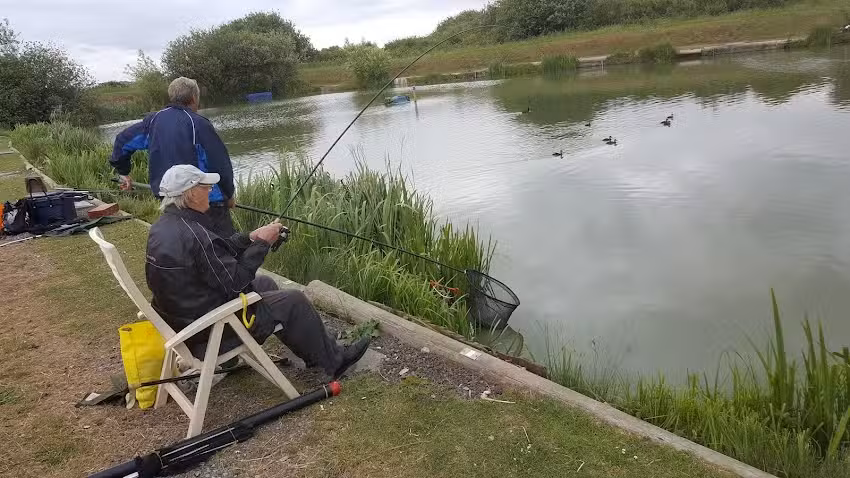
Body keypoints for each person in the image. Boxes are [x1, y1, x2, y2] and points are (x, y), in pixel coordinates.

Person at [146, 164, 370, 379]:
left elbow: (216, 252)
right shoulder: (195, 234)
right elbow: (236, 281)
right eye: (206, 187)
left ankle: (316, 351)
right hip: (209, 332)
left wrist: (251, 237)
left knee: (266, 284)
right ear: (192, 194)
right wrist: (263, 245)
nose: (210, 192)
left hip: (183, 319)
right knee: (294, 300)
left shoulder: (163, 227)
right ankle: (335, 362)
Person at [110, 77, 237, 236]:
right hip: (204, 200)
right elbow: (219, 164)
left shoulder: (153, 121)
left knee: (185, 242)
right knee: (223, 245)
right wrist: (229, 195)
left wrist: (123, 172)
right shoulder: (199, 124)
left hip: (170, 200)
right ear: (194, 98)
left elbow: (122, 141)